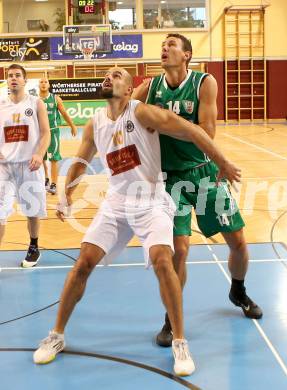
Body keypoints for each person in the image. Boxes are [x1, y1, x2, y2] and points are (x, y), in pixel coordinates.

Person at [33, 67, 241, 376]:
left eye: (117, 75)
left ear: (130, 90)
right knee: (83, 263)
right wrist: (66, 196)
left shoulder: (143, 113)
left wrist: (222, 161)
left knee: (163, 261)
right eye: (106, 74)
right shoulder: (95, 123)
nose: (109, 76)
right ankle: (56, 335)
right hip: (116, 203)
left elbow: (193, 130)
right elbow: (79, 161)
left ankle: (180, 342)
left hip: (151, 201)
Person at [132, 33, 263, 347]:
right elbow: (125, 108)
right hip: (169, 181)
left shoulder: (205, 82)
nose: (164, 48)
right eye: (162, 45)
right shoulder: (149, 87)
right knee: (179, 253)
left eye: (172, 45)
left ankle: (238, 290)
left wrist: (163, 122)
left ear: (187, 55)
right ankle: (171, 318)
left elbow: (207, 131)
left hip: (203, 174)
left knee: (239, 244)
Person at [0, 64, 50, 267]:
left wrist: (39, 154)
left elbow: (46, 133)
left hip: (29, 165)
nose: (13, 78)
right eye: (10, 75)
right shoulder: (1, 104)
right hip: (5, 166)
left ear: (25, 80)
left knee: (32, 210)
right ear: (6, 80)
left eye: (17, 75)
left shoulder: (36, 103)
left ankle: (34, 246)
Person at [39, 77, 77, 195]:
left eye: (46, 82)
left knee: (54, 158)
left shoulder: (55, 99)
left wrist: (72, 126)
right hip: (39, 133)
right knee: (41, 158)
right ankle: (45, 179)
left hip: (53, 131)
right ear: (38, 85)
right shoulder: (34, 100)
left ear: (49, 85)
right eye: (41, 81)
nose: (44, 84)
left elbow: (64, 113)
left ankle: (54, 184)